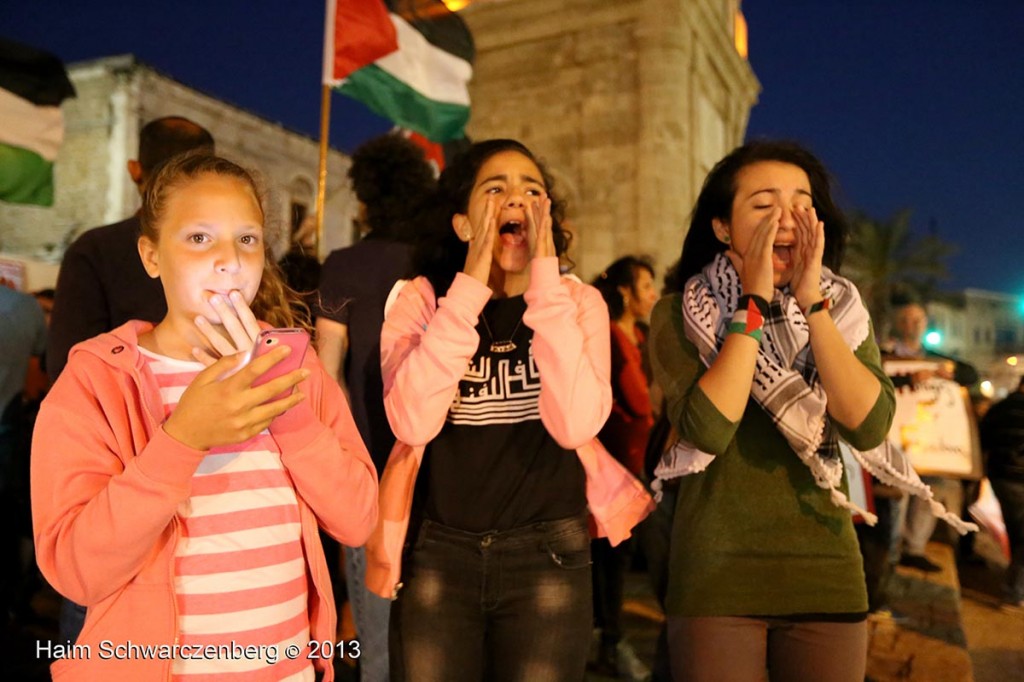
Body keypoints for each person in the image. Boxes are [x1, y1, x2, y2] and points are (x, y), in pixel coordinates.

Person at [31, 153, 378, 681]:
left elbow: (357, 519)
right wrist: (183, 438)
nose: (228, 260)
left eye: (247, 239)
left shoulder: (295, 363)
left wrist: (282, 407)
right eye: (198, 238)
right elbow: (77, 570)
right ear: (151, 255)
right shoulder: (98, 379)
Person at [363, 139, 652, 682]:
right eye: (495, 189)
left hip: (548, 556)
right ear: (463, 224)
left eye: (532, 189)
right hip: (438, 555)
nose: (515, 197)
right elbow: (412, 422)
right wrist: (468, 292)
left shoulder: (578, 303)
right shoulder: (419, 302)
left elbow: (575, 426)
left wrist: (545, 285)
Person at [649, 140, 896, 681]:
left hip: (827, 571)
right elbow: (710, 429)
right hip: (716, 576)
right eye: (763, 205)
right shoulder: (679, 314)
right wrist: (752, 304)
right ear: (721, 227)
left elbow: (869, 425)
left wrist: (813, 305)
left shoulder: (845, 311)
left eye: (801, 203)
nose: (786, 218)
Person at [316, 133, 436, 682]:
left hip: (369, 468)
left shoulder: (341, 264)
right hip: (436, 470)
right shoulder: (437, 263)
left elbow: (327, 370)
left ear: (364, 200)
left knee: (377, 644)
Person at [47, 115, 215, 382]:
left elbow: (67, 367)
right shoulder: (244, 257)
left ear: (135, 169)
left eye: (247, 239)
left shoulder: (95, 250)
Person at [588, 255, 658, 678]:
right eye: (645, 286)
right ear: (626, 293)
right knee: (611, 561)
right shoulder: (613, 339)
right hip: (616, 470)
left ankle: (611, 640)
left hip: (640, 463)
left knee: (621, 560)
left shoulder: (640, 337)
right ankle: (610, 643)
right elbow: (640, 401)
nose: (651, 295)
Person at [884, 301, 979, 573]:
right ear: (898, 323)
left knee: (928, 495)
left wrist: (952, 372)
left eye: (919, 320)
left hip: (930, 444)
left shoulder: (937, 358)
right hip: (897, 442)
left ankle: (914, 548)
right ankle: (892, 551)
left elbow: (970, 374)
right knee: (897, 495)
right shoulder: (886, 356)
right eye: (908, 319)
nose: (913, 325)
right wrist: (907, 380)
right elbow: (873, 382)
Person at [0, 285, 47, 626]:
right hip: (6, 427)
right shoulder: (22, 306)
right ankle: (12, 601)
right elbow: (44, 354)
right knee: (8, 518)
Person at [980, 376, 1024, 608]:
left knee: (1017, 532)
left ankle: (1015, 586)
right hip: (1018, 479)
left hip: (1000, 477)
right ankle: (1013, 591)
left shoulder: (999, 409)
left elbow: (982, 439)